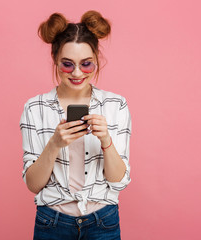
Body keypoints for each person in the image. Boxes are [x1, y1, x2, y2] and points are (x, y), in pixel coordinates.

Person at [20, 10, 132, 240]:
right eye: (68, 64)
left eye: (87, 64)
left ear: (96, 61)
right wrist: (54, 144)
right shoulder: (35, 108)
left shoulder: (115, 105)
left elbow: (118, 182)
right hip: (52, 221)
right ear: (55, 61)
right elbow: (33, 184)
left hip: (103, 220)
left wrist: (106, 141)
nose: (78, 73)